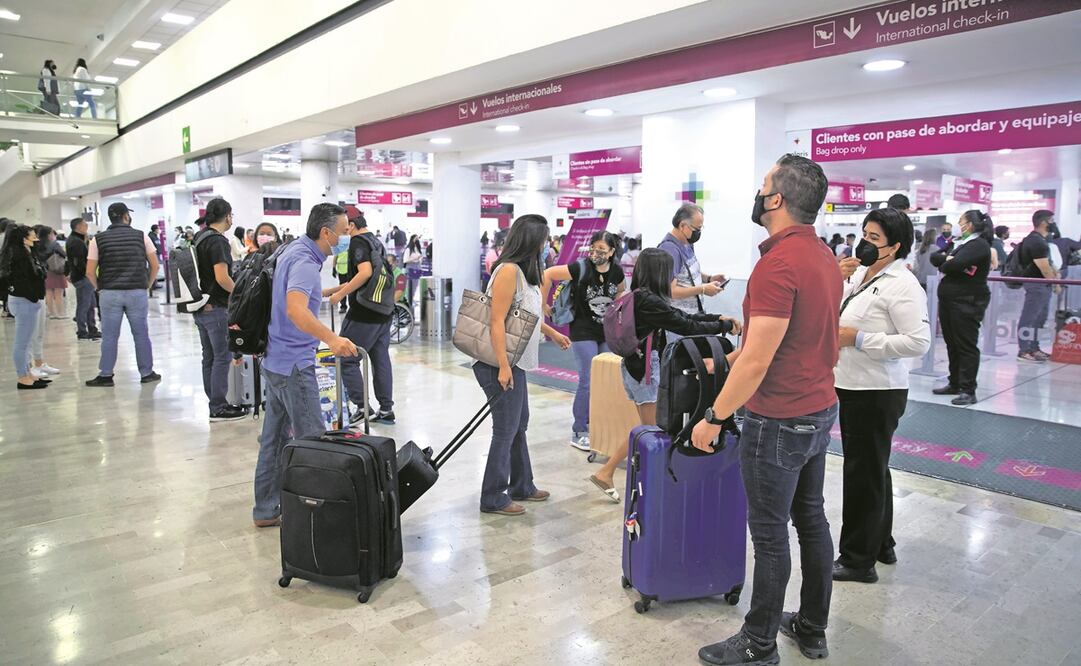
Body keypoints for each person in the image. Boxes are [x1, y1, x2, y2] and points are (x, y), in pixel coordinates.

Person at [691, 154, 840, 666]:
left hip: (778, 418)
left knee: (771, 534)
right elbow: (787, 338)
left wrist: (714, 417)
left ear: (775, 199)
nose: (757, 196)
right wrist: (725, 361)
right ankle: (812, 628)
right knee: (812, 521)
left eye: (762, 187)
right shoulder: (822, 256)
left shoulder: (778, 264)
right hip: (819, 407)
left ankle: (758, 644)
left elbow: (758, 359)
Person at [590, 247, 738, 501]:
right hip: (645, 371)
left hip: (636, 367)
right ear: (660, 272)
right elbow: (686, 325)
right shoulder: (649, 302)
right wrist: (722, 325)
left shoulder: (640, 296)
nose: (673, 277)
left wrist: (717, 318)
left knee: (646, 428)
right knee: (651, 431)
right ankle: (616, 474)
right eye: (670, 272)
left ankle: (611, 473)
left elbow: (681, 317)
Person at [833, 208, 930, 585]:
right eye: (864, 234)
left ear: (895, 246)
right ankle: (881, 543)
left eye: (874, 238)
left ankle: (858, 560)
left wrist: (859, 339)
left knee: (863, 474)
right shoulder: (860, 273)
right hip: (852, 383)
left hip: (876, 391)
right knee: (873, 469)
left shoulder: (903, 284)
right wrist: (835, 277)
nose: (865, 243)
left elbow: (917, 342)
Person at [252, 203, 358, 528]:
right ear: (326, 233)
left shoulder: (293, 250)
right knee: (314, 443)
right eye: (343, 232)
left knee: (273, 441)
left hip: (275, 360)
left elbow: (292, 295)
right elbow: (296, 310)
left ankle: (266, 509)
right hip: (295, 365)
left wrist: (323, 292)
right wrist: (332, 339)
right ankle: (319, 517)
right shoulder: (306, 263)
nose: (346, 237)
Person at [474, 214, 570, 516]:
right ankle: (493, 496)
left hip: (515, 361)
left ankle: (522, 485)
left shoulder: (525, 273)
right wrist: (503, 366)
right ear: (532, 241)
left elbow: (526, 317)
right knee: (506, 428)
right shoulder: (508, 271)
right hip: (497, 362)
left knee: (519, 424)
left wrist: (553, 333)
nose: (547, 247)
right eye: (544, 241)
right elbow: (496, 321)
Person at [541, 231, 626, 451]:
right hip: (582, 330)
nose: (596, 253)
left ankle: (598, 424)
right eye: (593, 248)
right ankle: (579, 429)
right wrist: (543, 305)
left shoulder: (616, 271)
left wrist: (616, 308)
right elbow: (548, 274)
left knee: (606, 379)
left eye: (602, 249)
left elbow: (621, 291)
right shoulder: (580, 267)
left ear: (611, 252)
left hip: (606, 331)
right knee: (587, 379)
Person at [328, 211, 397, 426]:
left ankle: (362, 407)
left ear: (351, 224)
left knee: (346, 358)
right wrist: (329, 291)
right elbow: (361, 277)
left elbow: (365, 273)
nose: (342, 231)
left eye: (343, 226)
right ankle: (386, 410)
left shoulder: (358, 241)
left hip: (364, 312)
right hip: (384, 310)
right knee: (380, 358)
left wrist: (340, 295)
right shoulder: (375, 241)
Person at [84, 203, 161, 387]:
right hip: (137, 292)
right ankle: (147, 373)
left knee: (110, 336)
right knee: (141, 334)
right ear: (126, 216)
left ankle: (106, 375)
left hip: (110, 293)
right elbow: (155, 265)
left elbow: (89, 271)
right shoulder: (141, 236)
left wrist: (99, 288)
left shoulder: (97, 240)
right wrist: (147, 285)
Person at [191, 199, 248, 422]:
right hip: (216, 308)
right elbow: (222, 278)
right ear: (227, 216)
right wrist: (240, 294)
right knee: (222, 358)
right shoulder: (218, 241)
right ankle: (218, 407)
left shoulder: (200, 237)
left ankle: (214, 403)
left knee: (209, 357)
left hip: (201, 306)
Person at [930, 210, 994, 405]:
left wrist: (947, 261)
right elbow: (934, 257)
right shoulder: (959, 242)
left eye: (961, 221)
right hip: (950, 299)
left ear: (970, 224)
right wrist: (947, 260)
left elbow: (953, 265)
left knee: (966, 345)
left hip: (967, 300)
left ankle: (968, 389)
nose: (958, 225)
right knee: (952, 343)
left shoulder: (978, 245)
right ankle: (955, 382)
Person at [658, 203, 726, 334]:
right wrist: (703, 289)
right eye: (697, 229)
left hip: (694, 315)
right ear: (682, 225)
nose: (698, 233)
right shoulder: (669, 249)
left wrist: (709, 278)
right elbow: (671, 291)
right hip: (679, 321)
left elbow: (686, 271)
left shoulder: (686, 242)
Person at [0, 224, 51, 389]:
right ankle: (22, 377)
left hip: (29, 301)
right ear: (23, 239)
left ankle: (28, 373)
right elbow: (22, 281)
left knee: (27, 341)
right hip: (24, 301)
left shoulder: (28, 253)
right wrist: (34, 297)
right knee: (22, 343)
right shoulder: (18, 256)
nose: (35, 239)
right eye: (32, 236)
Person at [1014, 210, 1059, 363]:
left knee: (1039, 319)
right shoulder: (1036, 241)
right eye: (1051, 220)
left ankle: (1034, 347)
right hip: (1036, 284)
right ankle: (1024, 350)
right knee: (1030, 317)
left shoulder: (1041, 240)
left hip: (1042, 285)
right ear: (1043, 222)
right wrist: (1055, 284)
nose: (1054, 223)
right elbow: (1044, 268)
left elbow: (1049, 264)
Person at [66, 218, 99, 340]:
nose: (87, 227)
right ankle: (82, 330)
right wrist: (88, 273)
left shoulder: (77, 240)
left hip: (83, 277)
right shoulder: (76, 242)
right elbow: (78, 262)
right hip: (83, 278)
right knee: (84, 305)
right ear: (79, 227)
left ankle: (92, 328)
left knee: (90, 304)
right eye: (85, 225)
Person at [35, 225, 67, 320]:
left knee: (48, 293)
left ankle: (51, 313)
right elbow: (64, 254)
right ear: (49, 234)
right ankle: (60, 313)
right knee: (58, 293)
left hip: (45, 271)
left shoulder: (37, 244)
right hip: (56, 270)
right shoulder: (54, 244)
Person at [911, 225, 938, 290]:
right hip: (932, 279)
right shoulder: (937, 250)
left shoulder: (920, 249)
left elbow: (916, 265)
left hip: (920, 278)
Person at [402, 235, 423, 305]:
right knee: (410, 285)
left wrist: (419, 259)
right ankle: (408, 300)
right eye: (415, 239)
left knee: (416, 285)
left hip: (418, 268)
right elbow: (405, 260)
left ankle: (412, 299)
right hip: (411, 268)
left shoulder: (418, 249)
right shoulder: (408, 249)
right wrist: (415, 258)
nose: (417, 240)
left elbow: (420, 258)